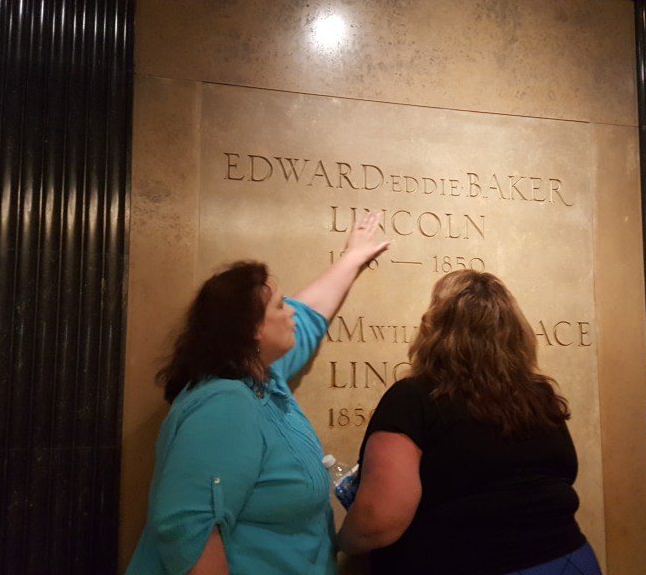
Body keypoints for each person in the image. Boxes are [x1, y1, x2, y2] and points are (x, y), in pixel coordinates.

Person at [126, 212, 389, 575]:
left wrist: (352, 258)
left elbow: (309, 315)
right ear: (253, 331)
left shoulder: (264, 379)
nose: (291, 312)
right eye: (280, 305)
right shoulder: (225, 404)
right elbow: (188, 531)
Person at [337, 270, 601, 575]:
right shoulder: (538, 397)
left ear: (435, 329)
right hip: (570, 561)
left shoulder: (414, 398)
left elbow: (378, 522)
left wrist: (338, 542)